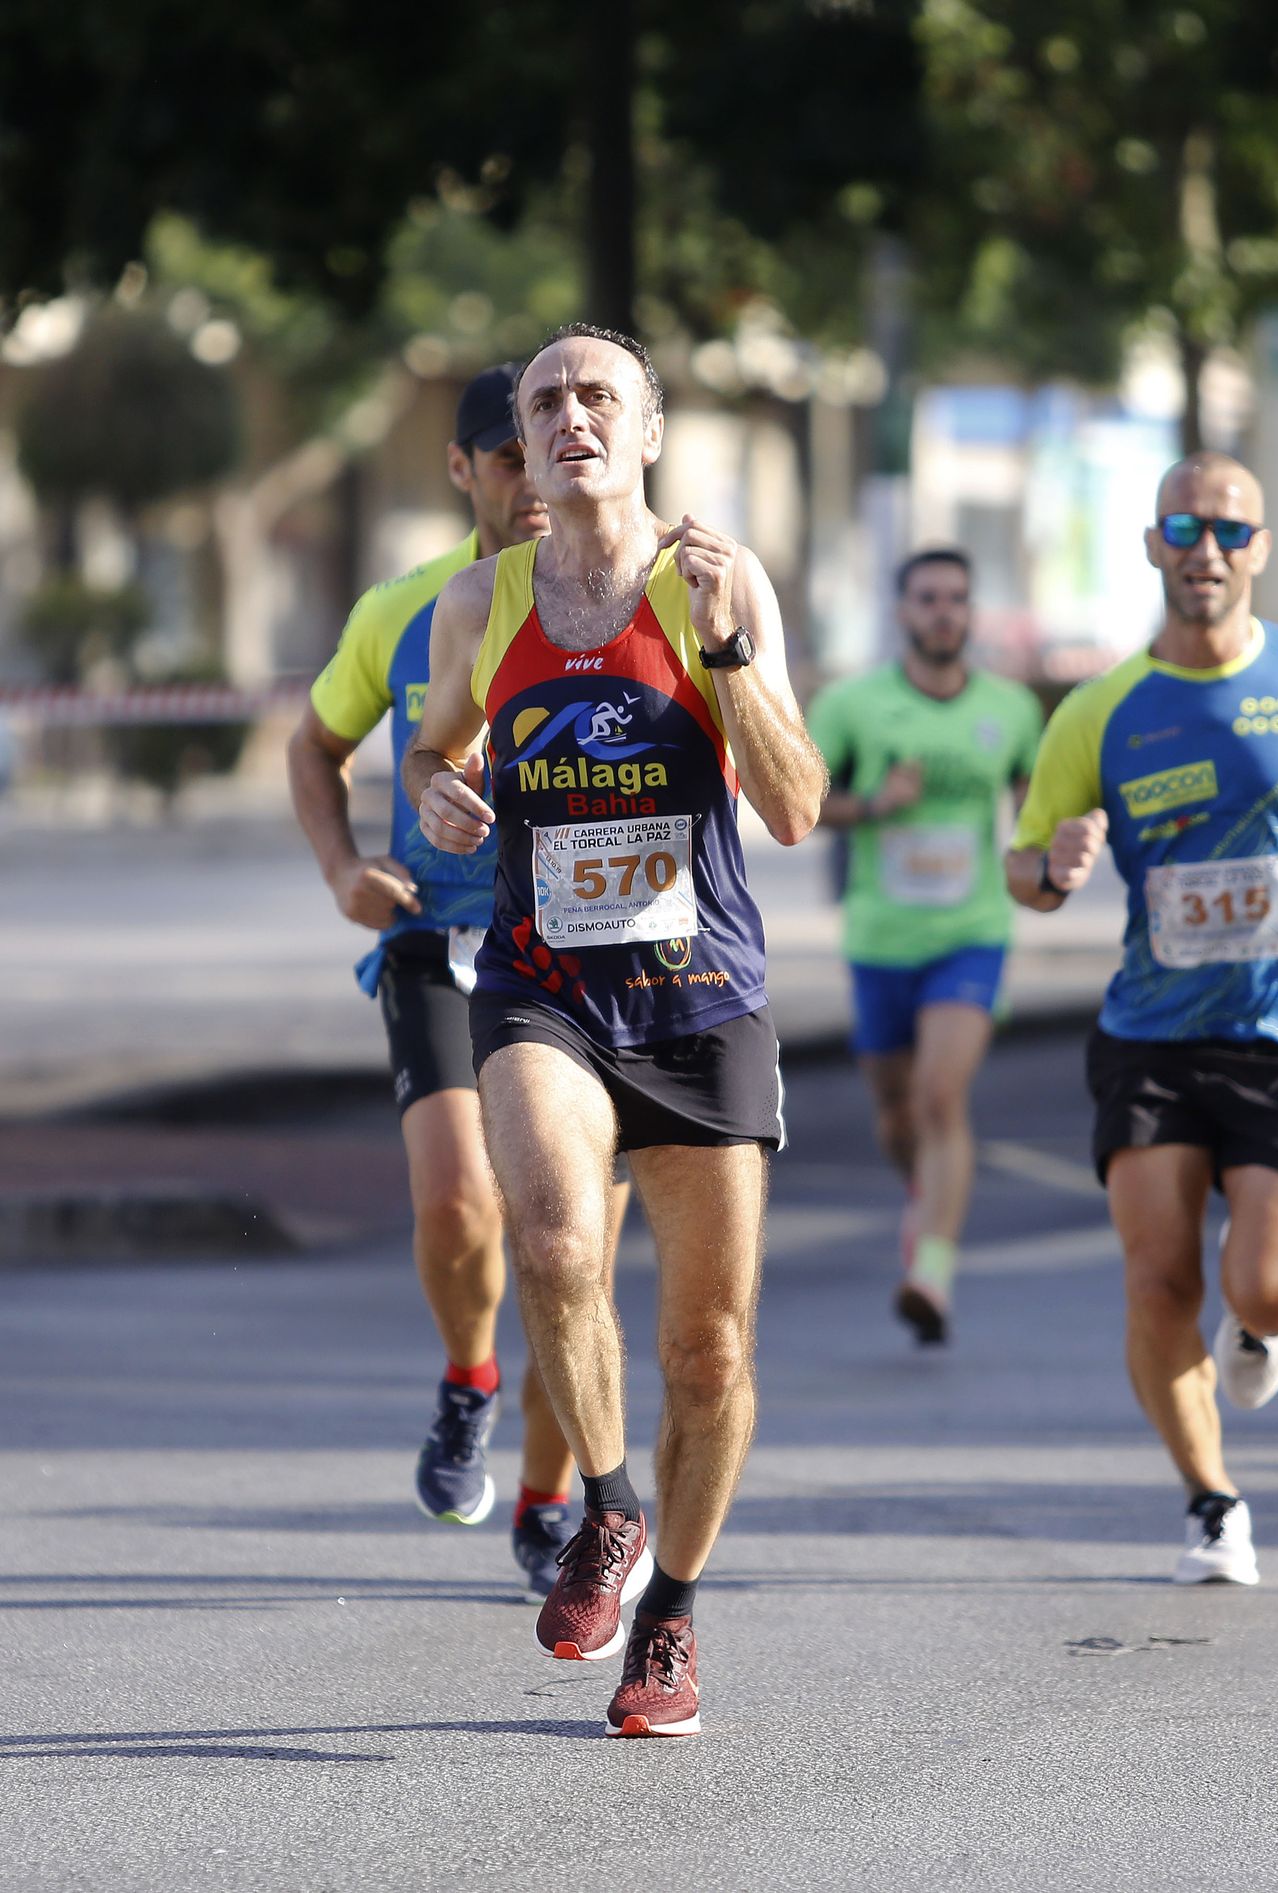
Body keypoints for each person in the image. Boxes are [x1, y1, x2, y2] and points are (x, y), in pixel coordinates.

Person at [405, 323, 826, 1738]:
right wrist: (438, 793)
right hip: (543, 983)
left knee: (708, 1353)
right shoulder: (483, 602)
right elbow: (433, 750)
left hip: (702, 999)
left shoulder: (715, 580)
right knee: (559, 1238)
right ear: (520, 445)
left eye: (601, 396)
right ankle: (605, 1503)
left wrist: (730, 650)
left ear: (646, 431)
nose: (573, 416)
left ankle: (674, 1617)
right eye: (546, 401)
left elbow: (795, 804)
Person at [1007, 451, 1278, 1586]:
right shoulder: (1099, 709)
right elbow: (1024, 865)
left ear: (1260, 550)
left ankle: (1264, 1324)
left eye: (1231, 531)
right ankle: (1211, 1499)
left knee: (1270, 1285)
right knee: (1156, 1281)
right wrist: (1053, 863)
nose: (1207, 551)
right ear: (1152, 546)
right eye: (1185, 528)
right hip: (1153, 1031)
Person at [287, 363, 627, 1597]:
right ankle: (468, 1377)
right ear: (464, 470)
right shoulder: (407, 609)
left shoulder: (618, 593)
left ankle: (548, 1500)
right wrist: (342, 870)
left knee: (573, 1256)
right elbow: (312, 747)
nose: (526, 476)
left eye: (537, 452)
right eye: (501, 457)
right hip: (442, 934)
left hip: (595, 950)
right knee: (458, 1208)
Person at [808, 548, 1042, 1344]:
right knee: (899, 1113)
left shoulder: (1010, 708)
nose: (944, 612)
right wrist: (873, 803)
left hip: (971, 935)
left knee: (943, 1096)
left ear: (971, 612)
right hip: (880, 938)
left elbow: (1035, 805)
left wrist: (1047, 847)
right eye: (928, 599)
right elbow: (797, 803)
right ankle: (925, 1200)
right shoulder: (854, 704)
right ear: (903, 612)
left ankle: (931, 1269)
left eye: (957, 599)